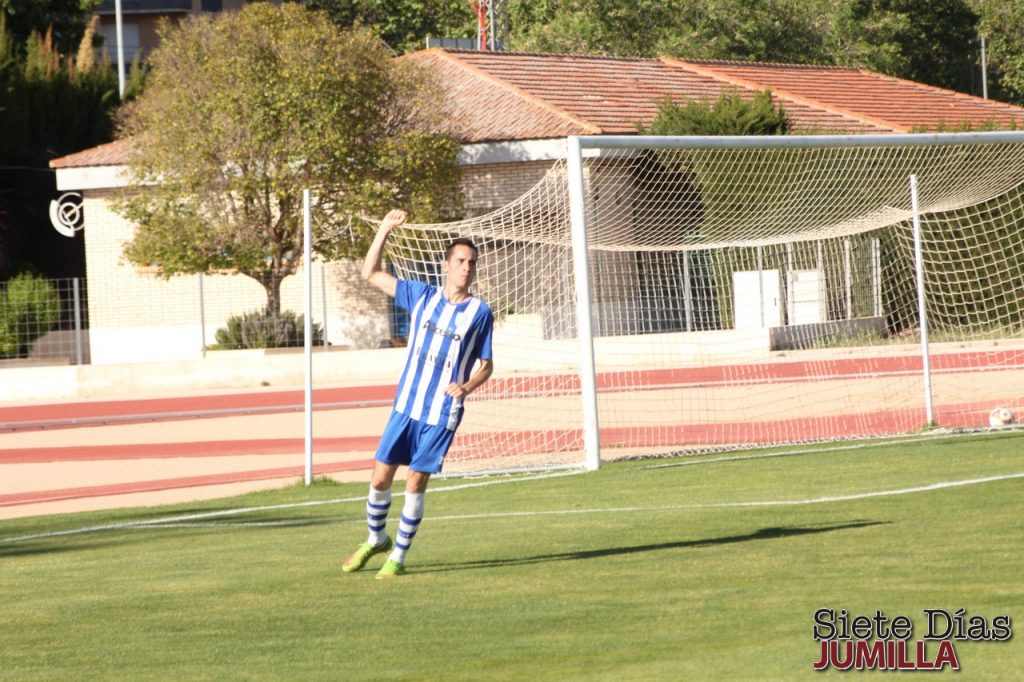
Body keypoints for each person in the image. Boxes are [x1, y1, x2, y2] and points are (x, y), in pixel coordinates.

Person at [342, 208, 495, 579]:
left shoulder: (479, 313)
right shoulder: (420, 296)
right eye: (460, 260)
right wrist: (384, 230)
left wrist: (467, 386)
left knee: (415, 481)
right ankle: (376, 539)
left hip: (442, 411)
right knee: (380, 478)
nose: (466, 267)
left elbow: (487, 365)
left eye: (471, 262)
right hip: (406, 405)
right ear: (445, 265)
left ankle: (398, 556)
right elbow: (370, 273)